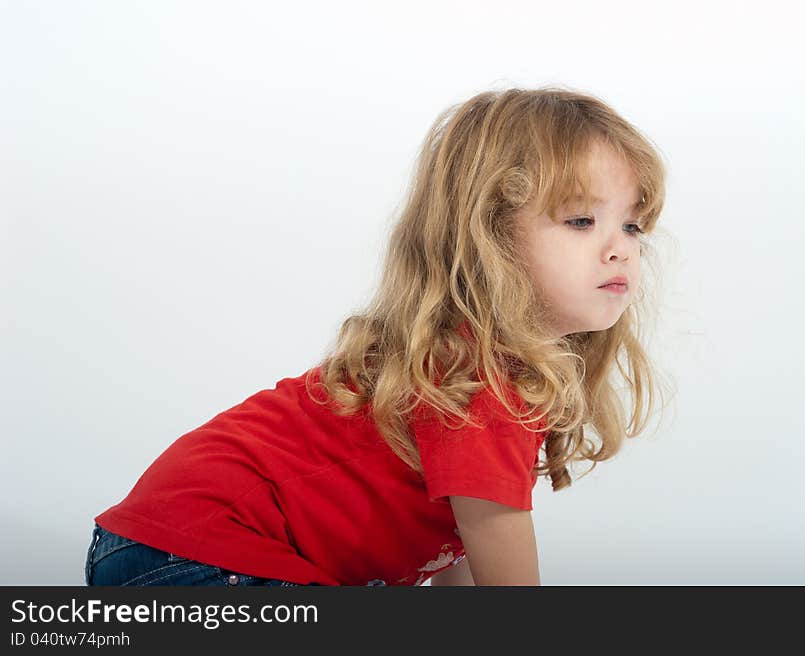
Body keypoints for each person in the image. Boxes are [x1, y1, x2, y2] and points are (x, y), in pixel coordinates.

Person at [84, 86, 671, 587]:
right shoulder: (482, 380)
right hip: (199, 552)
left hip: (155, 548)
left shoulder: (468, 365)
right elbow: (498, 546)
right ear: (488, 238)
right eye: (579, 221)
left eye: (631, 224)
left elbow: (459, 544)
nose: (620, 246)